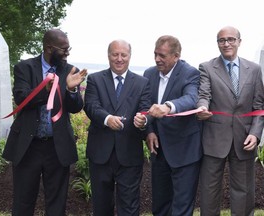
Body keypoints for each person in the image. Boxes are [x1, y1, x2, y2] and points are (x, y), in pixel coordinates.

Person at [2, 28, 87, 216]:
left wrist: (72, 91)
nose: (67, 53)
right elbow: (21, 98)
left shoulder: (69, 70)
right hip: (28, 146)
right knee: (23, 202)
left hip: (57, 147)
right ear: (49, 48)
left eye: (68, 49)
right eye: (64, 49)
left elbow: (75, 107)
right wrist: (46, 90)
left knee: (57, 204)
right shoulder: (25, 68)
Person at [197, 26, 264, 216]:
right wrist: (202, 107)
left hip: (244, 139)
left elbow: (259, 106)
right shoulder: (207, 67)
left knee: (243, 191)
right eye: (222, 40)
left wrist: (255, 133)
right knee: (210, 192)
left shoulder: (254, 69)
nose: (226, 44)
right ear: (217, 43)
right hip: (214, 139)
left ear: (239, 42)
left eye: (231, 39)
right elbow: (204, 94)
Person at [83, 39, 151, 216]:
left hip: (129, 154)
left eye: (123, 55)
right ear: (108, 56)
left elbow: (145, 109)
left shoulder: (142, 83)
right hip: (100, 154)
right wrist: (107, 119)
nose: (119, 59)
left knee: (129, 207)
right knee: (101, 207)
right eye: (115, 54)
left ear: (130, 56)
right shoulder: (95, 79)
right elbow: (91, 106)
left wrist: (143, 120)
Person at [139, 35, 202, 216]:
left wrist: (168, 106)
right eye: (155, 54)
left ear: (176, 56)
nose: (157, 59)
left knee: (182, 208)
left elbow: (191, 98)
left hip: (185, 152)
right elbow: (145, 106)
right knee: (160, 206)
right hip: (159, 152)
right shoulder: (149, 74)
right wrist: (149, 131)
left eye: (163, 56)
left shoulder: (190, 73)